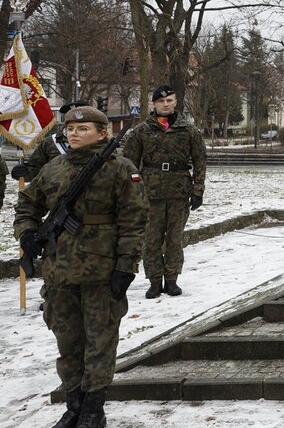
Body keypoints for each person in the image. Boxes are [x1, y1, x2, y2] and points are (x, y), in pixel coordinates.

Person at [14, 106, 148, 428]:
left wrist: (125, 267)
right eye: (70, 129)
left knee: (100, 342)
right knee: (67, 341)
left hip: (101, 273)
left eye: (82, 128)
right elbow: (27, 205)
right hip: (59, 272)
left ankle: (93, 410)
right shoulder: (54, 168)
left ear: (102, 133)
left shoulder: (119, 169)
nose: (73, 134)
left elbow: (135, 221)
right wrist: (28, 234)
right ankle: (73, 405)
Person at [122, 85, 207, 299]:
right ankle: (154, 280)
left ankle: (171, 280)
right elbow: (129, 163)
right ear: (154, 104)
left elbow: (199, 161)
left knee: (174, 239)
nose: (165, 104)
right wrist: (131, 192)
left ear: (176, 101)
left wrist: (198, 190)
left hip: (179, 192)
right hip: (150, 193)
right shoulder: (142, 131)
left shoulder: (189, 130)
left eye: (169, 100)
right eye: (161, 101)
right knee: (151, 240)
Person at [11, 101, 89, 183]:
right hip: (57, 192)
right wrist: (24, 173)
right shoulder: (50, 142)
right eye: (70, 117)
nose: (74, 120)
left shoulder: (98, 140)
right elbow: (36, 170)